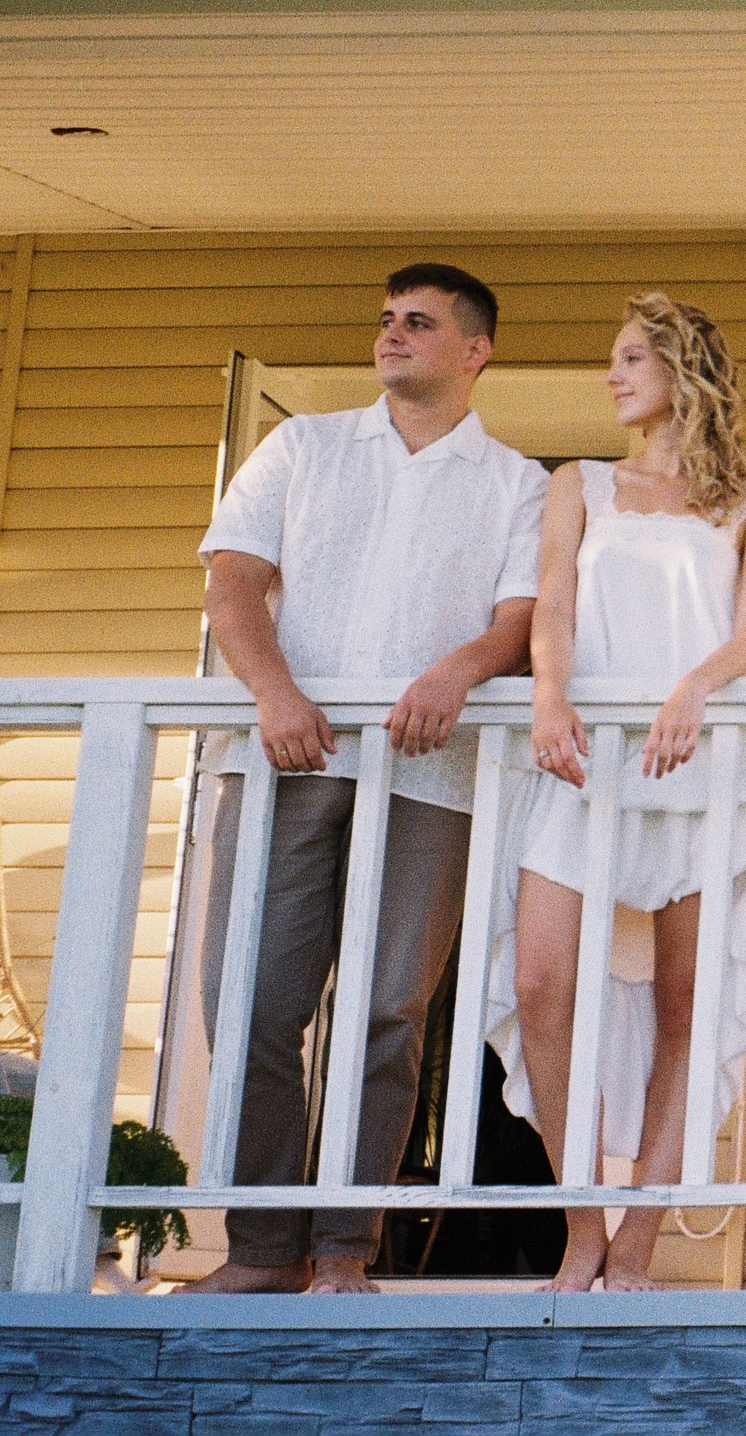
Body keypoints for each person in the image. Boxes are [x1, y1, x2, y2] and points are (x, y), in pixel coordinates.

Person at [183, 264, 547, 1295]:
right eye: (386, 320)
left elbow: (520, 620)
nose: (391, 334)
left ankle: (344, 1246)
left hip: (431, 776)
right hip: (284, 759)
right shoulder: (301, 444)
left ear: (473, 350)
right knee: (252, 1003)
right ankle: (259, 1248)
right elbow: (233, 579)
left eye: (417, 323)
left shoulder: (515, 481)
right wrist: (275, 692)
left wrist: (458, 670)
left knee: (387, 1011)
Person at [485, 292, 746, 1293]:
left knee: (685, 1000)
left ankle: (637, 1244)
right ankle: (580, 1225)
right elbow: (554, 602)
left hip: (700, 759)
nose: (613, 374)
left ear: (684, 371)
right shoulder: (577, 484)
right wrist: (547, 693)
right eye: (614, 357)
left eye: (632, 357)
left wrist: (692, 687)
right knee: (543, 983)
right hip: (584, 758)